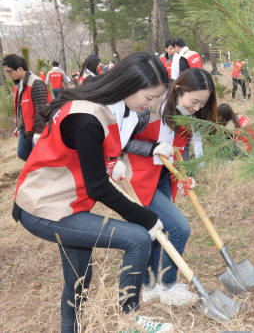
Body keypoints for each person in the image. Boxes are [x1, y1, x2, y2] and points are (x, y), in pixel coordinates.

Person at [12, 52, 172, 333]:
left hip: (65, 203)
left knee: (79, 279)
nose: (150, 105)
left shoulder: (104, 107)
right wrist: (145, 217)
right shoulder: (87, 118)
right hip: (43, 207)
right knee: (137, 238)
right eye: (148, 98)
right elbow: (98, 186)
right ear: (130, 86)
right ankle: (129, 322)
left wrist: (118, 162)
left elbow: (96, 157)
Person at [124, 68, 216, 307]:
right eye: (194, 101)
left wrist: (187, 174)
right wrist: (152, 147)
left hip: (163, 176)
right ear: (178, 90)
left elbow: (181, 147)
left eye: (203, 103)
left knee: (155, 230)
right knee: (179, 228)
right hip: (137, 178)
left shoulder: (187, 114)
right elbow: (120, 141)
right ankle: (166, 285)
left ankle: (150, 286)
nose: (197, 108)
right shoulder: (149, 108)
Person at [3, 54, 50, 161]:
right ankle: (37, 171)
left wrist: (38, 134)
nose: (8, 75)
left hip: (38, 128)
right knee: (23, 153)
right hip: (26, 128)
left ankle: (41, 173)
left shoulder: (35, 83)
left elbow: (42, 111)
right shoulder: (19, 84)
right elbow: (21, 108)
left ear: (19, 69)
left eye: (9, 71)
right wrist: (19, 126)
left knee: (38, 158)